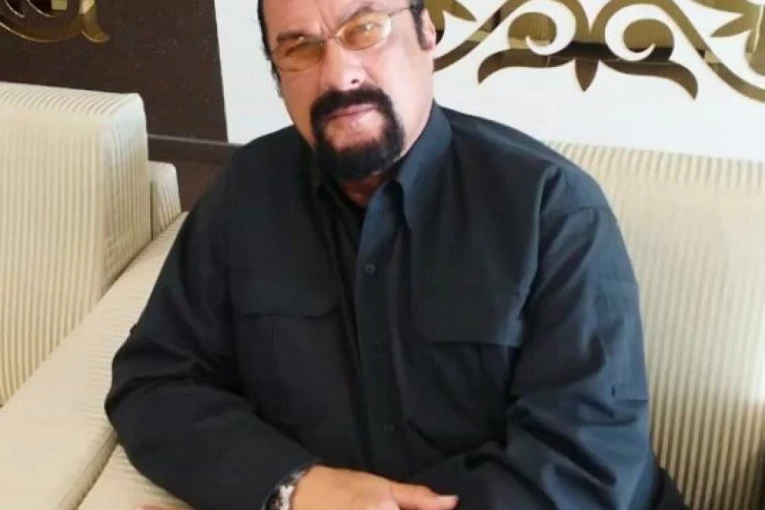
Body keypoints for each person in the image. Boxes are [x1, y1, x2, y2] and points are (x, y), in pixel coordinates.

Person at [106, 0, 689, 509]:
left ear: (426, 32)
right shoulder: (246, 193)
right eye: (299, 48)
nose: (339, 74)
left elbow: (585, 467)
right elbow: (154, 381)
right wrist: (292, 487)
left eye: (364, 29)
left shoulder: (552, 208)